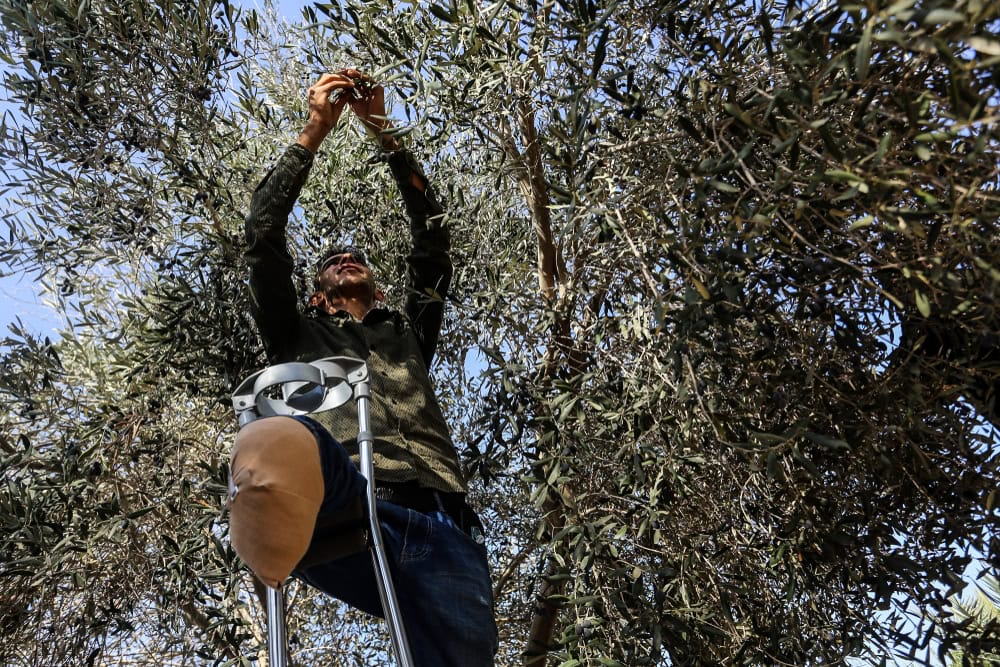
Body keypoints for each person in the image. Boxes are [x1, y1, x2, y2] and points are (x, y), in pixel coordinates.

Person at [228, 69, 498, 666]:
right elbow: (263, 237)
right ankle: (265, 520)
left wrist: (384, 133)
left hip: (441, 515)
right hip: (349, 493)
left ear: (373, 285)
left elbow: (434, 241)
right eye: (334, 260)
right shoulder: (296, 333)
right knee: (278, 435)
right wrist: (316, 129)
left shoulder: (406, 331)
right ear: (318, 293)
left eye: (356, 257)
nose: (348, 258)